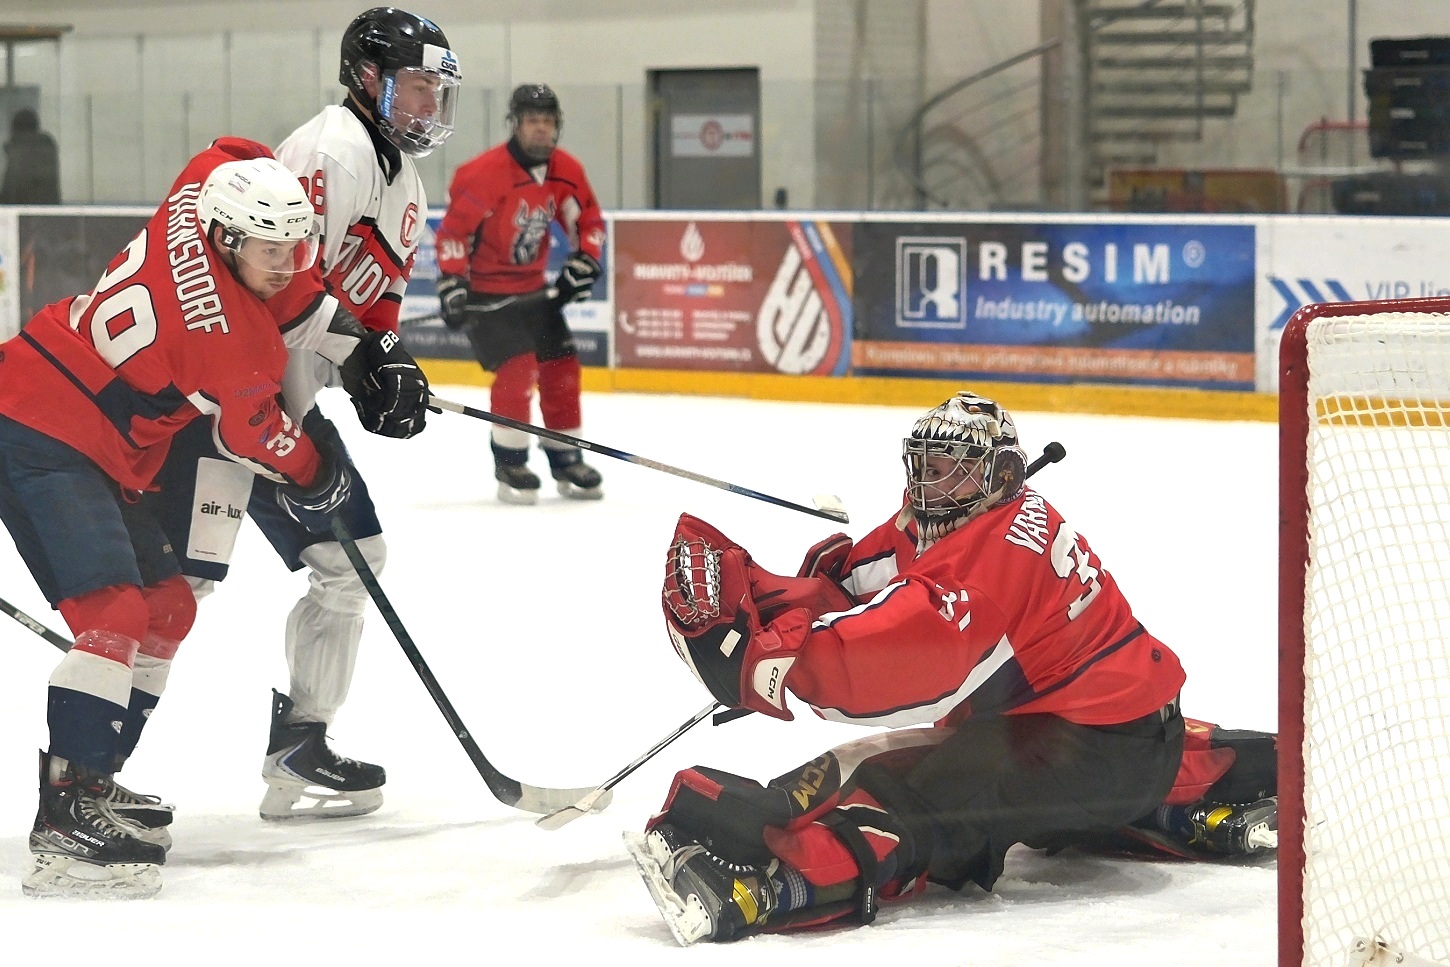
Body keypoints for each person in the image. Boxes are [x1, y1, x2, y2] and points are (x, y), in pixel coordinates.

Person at [626, 391, 1278, 944]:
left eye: (950, 469)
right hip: (1121, 727)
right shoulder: (958, 515)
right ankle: (1167, 798)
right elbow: (860, 586)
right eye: (925, 464)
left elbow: (893, 660)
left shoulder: (992, 563)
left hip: (1095, 749)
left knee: (895, 786)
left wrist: (771, 661)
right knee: (943, 765)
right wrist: (761, 597)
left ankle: (764, 884)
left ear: (1001, 474)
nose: (930, 483)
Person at [0, 139, 359, 898]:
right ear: (227, 239)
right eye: (270, 251)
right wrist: (321, 474)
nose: (287, 266)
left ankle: (92, 780)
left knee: (167, 607)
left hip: (82, 427)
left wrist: (270, 194)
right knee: (116, 613)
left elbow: (230, 150)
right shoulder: (233, 341)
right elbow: (259, 437)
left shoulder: (195, 195)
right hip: (43, 429)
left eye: (296, 247)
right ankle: (64, 820)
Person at [145, 6, 457, 822]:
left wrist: (385, 372)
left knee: (355, 562)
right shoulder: (332, 150)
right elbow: (281, 281)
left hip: (285, 406)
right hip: (223, 405)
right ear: (367, 79)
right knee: (178, 588)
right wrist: (354, 356)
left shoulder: (407, 182)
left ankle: (301, 742)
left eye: (436, 91)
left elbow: (373, 310)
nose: (429, 104)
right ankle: (84, 770)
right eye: (415, 86)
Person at [434, 82, 606, 504]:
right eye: (532, 121)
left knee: (562, 368)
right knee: (517, 370)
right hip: (488, 295)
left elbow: (589, 221)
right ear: (515, 124)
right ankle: (511, 462)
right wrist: (452, 283)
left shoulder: (566, 169)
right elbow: (454, 233)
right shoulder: (483, 174)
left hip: (533, 291)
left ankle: (566, 458)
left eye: (547, 121)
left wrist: (585, 261)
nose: (540, 129)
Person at [0, 108, 60, 204]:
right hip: (49, 209)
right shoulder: (47, 147)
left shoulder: (18, 149)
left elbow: (12, 189)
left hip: (21, 208)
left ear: (14, 128)